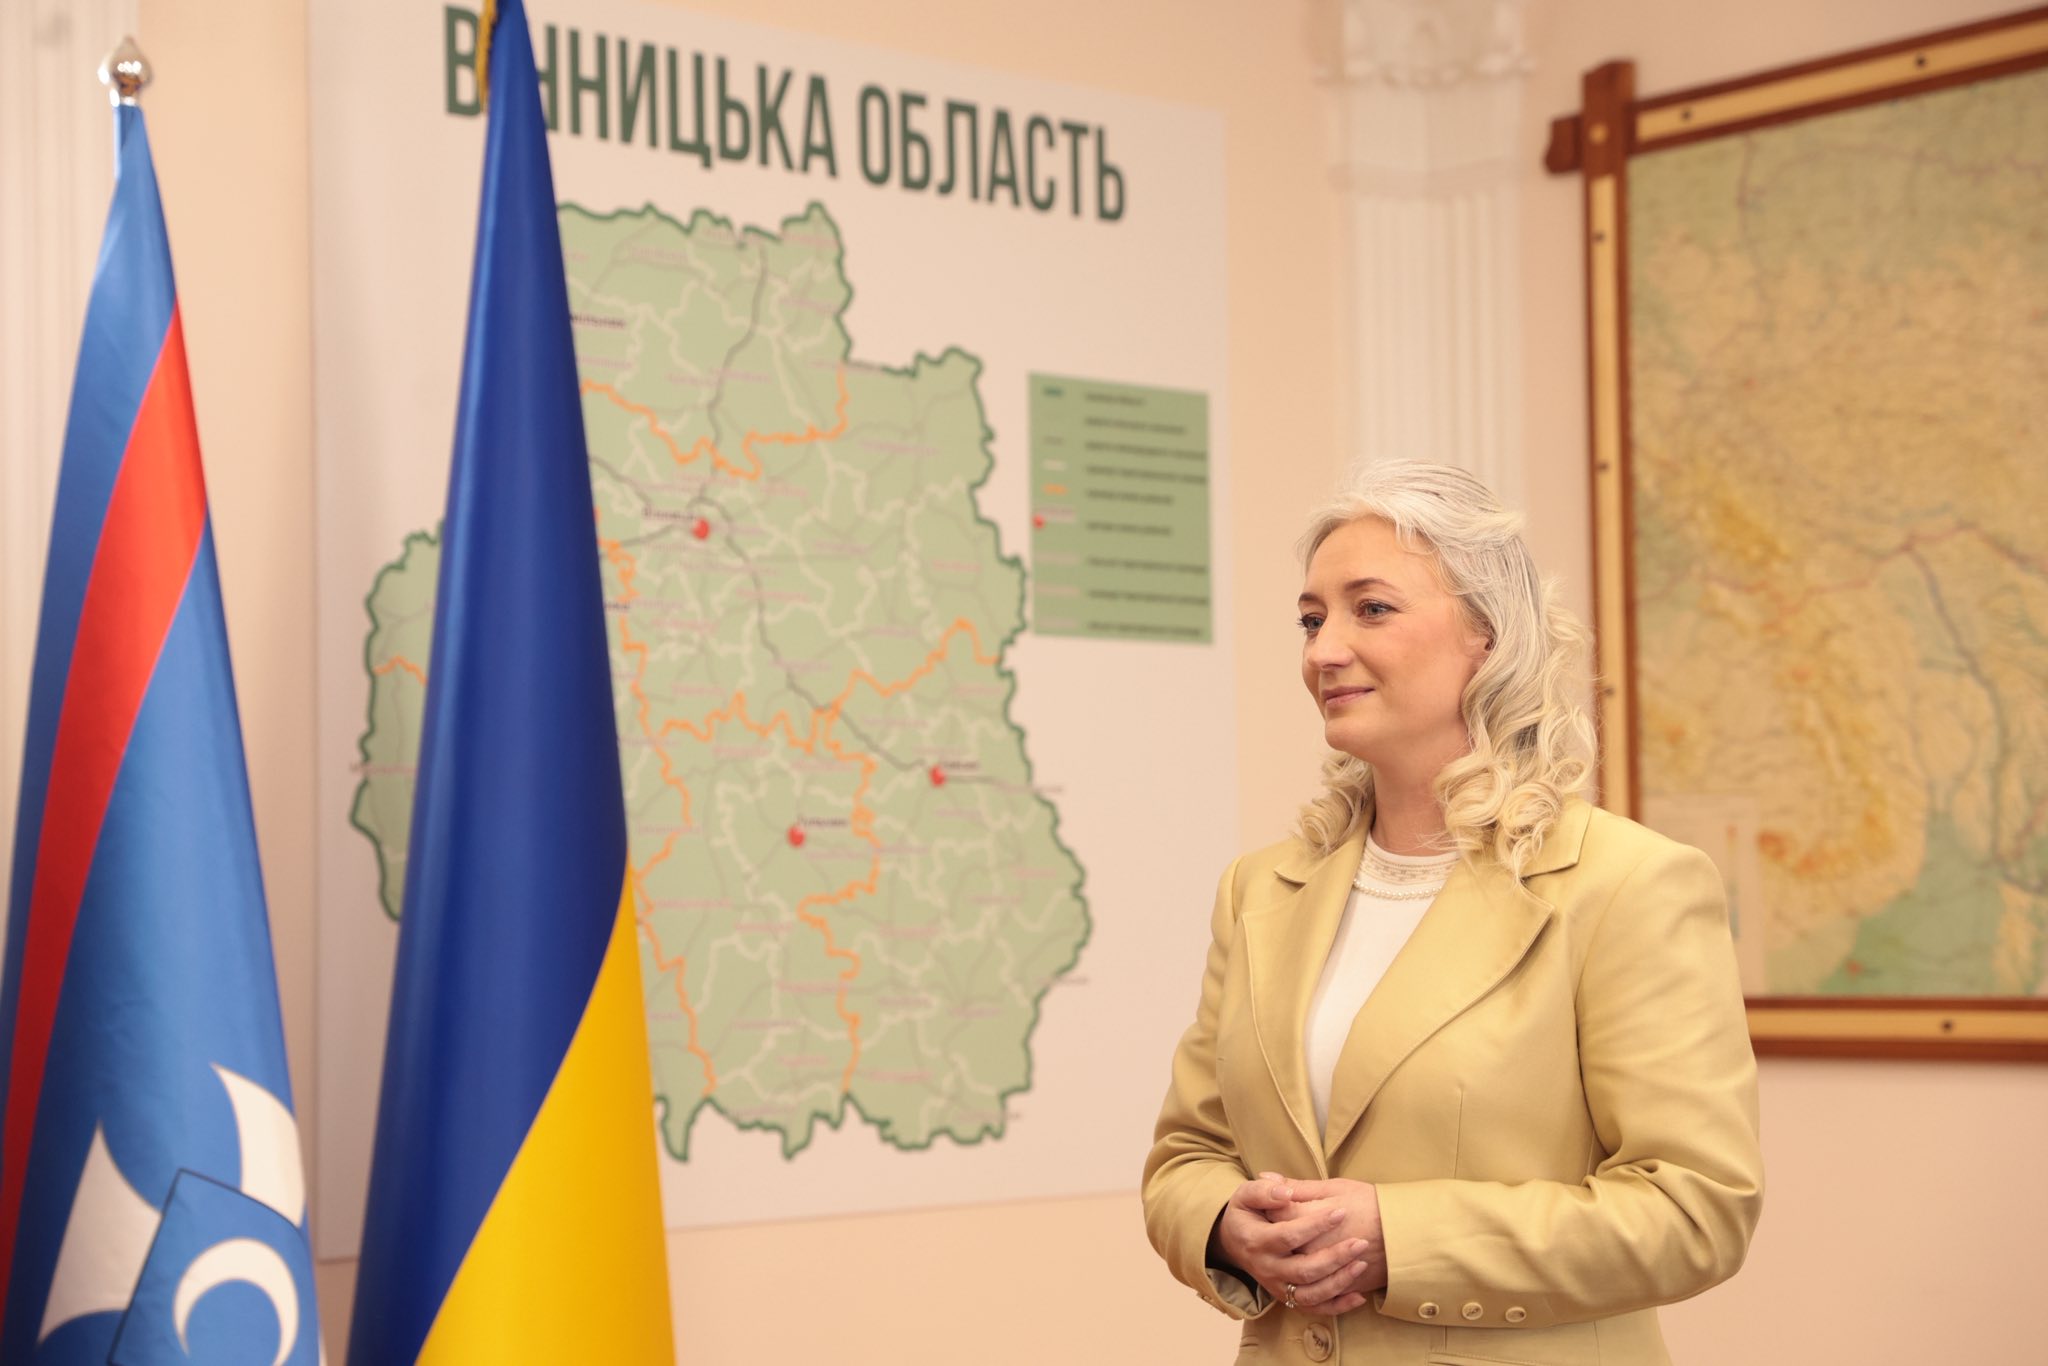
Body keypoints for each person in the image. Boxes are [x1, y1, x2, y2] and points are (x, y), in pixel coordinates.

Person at [1142, 463, 1762, 1366]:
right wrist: (1225, 1228)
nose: (1323, 651)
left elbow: (1695, 1210)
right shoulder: (1257, 891)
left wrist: (1401, 1238)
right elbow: (1186, 1157)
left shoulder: (1629, 885)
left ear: (1488, 636)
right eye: (1312, 619)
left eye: (1372, 609)